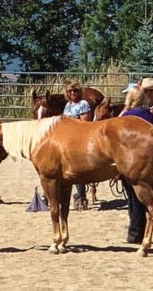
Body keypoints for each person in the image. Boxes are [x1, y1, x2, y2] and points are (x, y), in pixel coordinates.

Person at [120, 86, 153, 244]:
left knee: (134, 197)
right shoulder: (149, 115)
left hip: (131, 160)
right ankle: (145, 231)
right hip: (151, 159)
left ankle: (135, 233)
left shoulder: (127, 117)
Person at [62, 81, 93, 209]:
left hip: (79, 137)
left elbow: (84, 123)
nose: (73, 93)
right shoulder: (68, 105)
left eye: (75, 91)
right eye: (70, 91)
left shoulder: (83, 104)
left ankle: (81, 195)